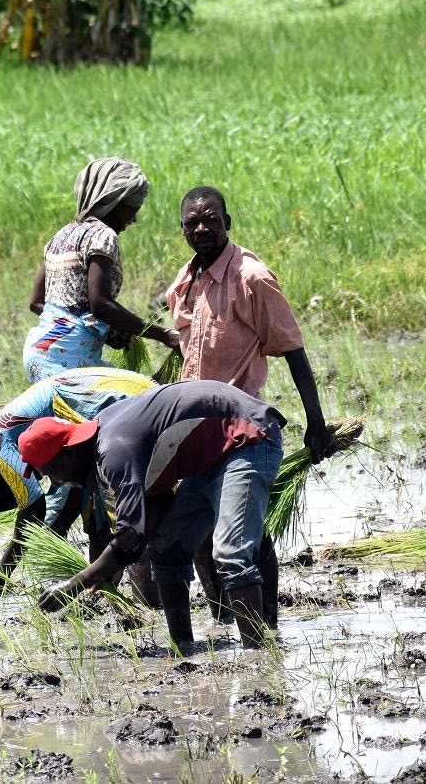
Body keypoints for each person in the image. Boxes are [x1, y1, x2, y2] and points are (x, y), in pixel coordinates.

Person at [164, 186, 332, 625]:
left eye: (211, 219)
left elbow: (293, 350)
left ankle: (264, 639)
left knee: (240, 543)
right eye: (191, 222)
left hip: (242, 430)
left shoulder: (250, 278)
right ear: (182, 228)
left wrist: (318, 425)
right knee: (205, 536)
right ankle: (224, 621)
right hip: (197, 433)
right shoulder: (186, 281)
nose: (201, 228)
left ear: (228, 222)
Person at [21, 380, 290, 650]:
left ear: (67, 454)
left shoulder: (113, 451)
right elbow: (156, 507)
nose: (54, 483)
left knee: (231, 553)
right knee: (166, 547)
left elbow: (130, 537)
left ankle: (259, 659)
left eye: (49, 473)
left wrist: (75, 584)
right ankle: (183, 648)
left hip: (248, 437)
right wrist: (108, 566)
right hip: (213, 456)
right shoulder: (102, 440)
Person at [0, 367, 157, 593]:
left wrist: (1, 574)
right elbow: (78, 493)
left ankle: (147, 587)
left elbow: (33, 511)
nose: (48, 480)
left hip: (111, 401)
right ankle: (105, 588)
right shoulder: (54, 453)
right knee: (95, 505)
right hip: (129, 389)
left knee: (123, 505)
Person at [24, 157, 180, 383]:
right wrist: (164, 335)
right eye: (132, 209)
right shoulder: (103, 235)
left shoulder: (61, 235)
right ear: (114, 202)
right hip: (68, 358)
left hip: (38, 353)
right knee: (140, 396)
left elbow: (37, 303)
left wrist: (106, 332)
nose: (134, 219)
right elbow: (101, 304)